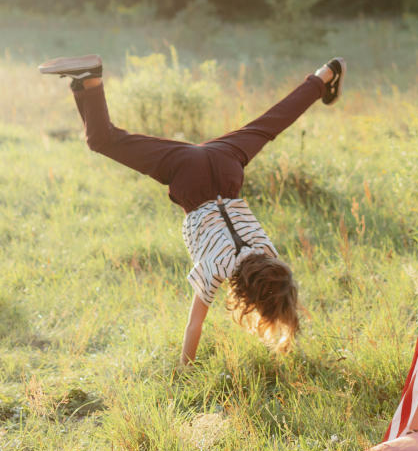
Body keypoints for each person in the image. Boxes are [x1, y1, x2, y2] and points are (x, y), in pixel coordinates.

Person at [38, 53, 346, 365]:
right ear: (249, 297)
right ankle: (90, 79)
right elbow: (194, 324)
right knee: (103, 140)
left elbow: (278, 288)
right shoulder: (216, 270)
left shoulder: (267, 252)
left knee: (271, 122)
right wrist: (185, 371)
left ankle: (324, 74)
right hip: (189, 178)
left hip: (225, 163)